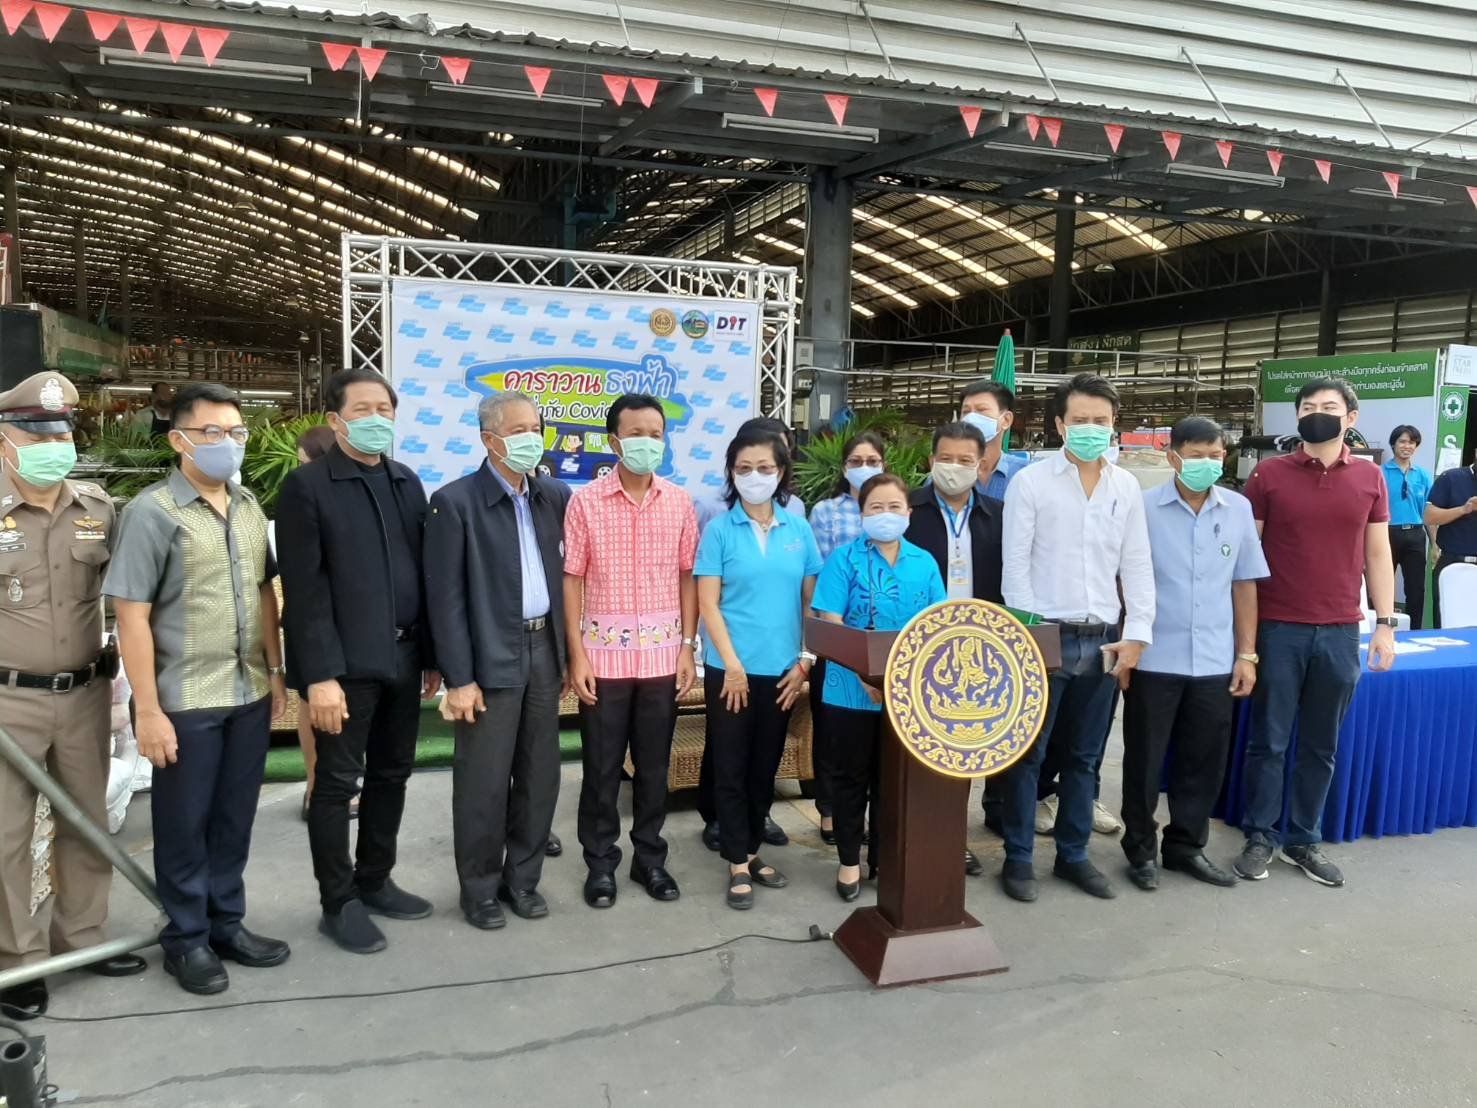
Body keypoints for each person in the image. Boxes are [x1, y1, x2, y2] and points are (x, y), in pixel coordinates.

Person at [105, 383, 290, 996]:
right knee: (185, 823)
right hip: (185, 697)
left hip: (248, 689)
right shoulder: (152, 512)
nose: (226, 443)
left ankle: (226, 924)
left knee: (233, 818)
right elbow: (131, 614)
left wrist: (276, 671)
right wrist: (148, 709)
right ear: (179, 440)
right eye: (212, 432)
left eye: (236, 432)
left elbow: (264, 592)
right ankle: (186, 938)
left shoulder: (248, 505)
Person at [276, 368, 439, 955]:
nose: (376, 420)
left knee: (392, 774)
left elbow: (424, 573)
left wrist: (431, 656)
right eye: (362, 410)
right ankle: (338, 901)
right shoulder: (308, 487)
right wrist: (319, 676)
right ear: (335, 420)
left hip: (405, 656)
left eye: (384, 410)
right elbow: (304, 591)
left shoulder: (405, 481)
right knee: (336, 783)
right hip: (345, 667)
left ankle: (375, 879)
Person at [0, 374, 146, 1021]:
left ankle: (82, 939)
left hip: (85, 691)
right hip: (8, 701)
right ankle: (17, 962)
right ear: (5, 442)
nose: (53, 447)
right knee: (5, 836)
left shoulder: (96, 507)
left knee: (86, 821)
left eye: (60, 435)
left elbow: (127, 596)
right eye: (37, 438)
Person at [997, 373, 1155, 903]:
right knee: (1030, 754)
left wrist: (1136, 635)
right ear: (1060, 425)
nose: (1091, 429)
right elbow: (1015, 566)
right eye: (1081, 420)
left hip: (1104, 639)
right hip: (1045, 635)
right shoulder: (1032, 483)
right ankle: (1019, 857)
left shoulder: (1125, 486)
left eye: (1100, 421)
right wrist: (1026, 634)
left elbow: (1137, 564)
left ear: (1114, 425)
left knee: (1086, 758)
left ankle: (1073, 855)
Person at [1238, 376, 1397, 888]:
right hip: (1279, 627)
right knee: (1269, 741)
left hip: (1340, 630)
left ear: (1351, 418)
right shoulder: (1268, 475)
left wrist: (1384, 624)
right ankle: (1260, 834)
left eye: (1328, 406)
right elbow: (1246, 559)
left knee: (1320, 744)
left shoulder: (1370, 478)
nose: (1316, 413)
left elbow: (1378, 554)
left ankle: (1303, 839)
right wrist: (1245, 640)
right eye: (1307, 407)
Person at [426, 391, 569, 930]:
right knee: (483, 780)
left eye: (536, 427)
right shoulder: (455, 502)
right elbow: (445, 600)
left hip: (545, 650)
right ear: (489, 440)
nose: (532, 438)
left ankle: (522, 881)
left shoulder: (554, 496)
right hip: (490, 655)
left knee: (540, 773)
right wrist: (459, 679)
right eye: (518, 430)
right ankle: (480, 889)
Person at [1120, 417, 1269, 891]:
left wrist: (1247, 654)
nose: (1208, 463)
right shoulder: (1142, 508)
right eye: (1197, 455)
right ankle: (1140, 849)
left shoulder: (1238, 509)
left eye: (1215, 455)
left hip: (1214, 659)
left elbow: (1244, 584)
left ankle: (1185, 847)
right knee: (1144, 760)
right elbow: (1125, 581)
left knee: (1202, 762)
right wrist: (1126, 647)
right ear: (1173, 457)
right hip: (1154, 657)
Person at [564, 393, 698, 909]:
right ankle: (600, 864)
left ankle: (650, 859)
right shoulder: (585, 502)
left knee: (654, 766)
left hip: (663, 658)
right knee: (601, 768)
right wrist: (577, 654)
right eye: (636, 434)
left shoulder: (679, 502)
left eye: (655, 434)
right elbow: (572, 579)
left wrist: (687, 647)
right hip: (603, 660)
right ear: (614, 441)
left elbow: (687, 577)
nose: (647, 443)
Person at [695, 425, 822, 909]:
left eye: (764, 468)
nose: (754, 476)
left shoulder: (798, 529)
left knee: (765, 766)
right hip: (731, 671)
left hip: (783, 671)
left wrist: (805, 661)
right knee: (730, 766)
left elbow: (811, 601)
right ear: (731, 473)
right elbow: (709, 604)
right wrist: (731, 666)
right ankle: (736, 863)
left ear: (781, 472)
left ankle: (750, 851)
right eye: (744, 468)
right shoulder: (719, 530)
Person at [813, 473, 946, 902]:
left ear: (909, 513)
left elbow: (937, 625)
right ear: (861, 513)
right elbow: (831, 621)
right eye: (876, 507)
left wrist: (902, 681)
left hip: (906, 694)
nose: (885, 514)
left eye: (894, 507)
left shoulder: (924, 563)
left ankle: (885, 857)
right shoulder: (843, 561)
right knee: (850, 778)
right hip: (849, 690)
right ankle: (849, 860)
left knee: (893, 781)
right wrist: (864, 675)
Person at [904, 420, 1004, 878]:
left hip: (976, 651)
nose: (954, 467)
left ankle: (951, 839)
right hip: (916, 644)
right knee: (912, 747)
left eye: (966, 460)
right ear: (931, 461)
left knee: (960, 749)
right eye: (946, 458)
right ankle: (902, 837)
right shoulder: (907, 510)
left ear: (981, 465)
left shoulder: (999, 515)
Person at [805, 430, 886, 845]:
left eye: (872, 461)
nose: (864, 468)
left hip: (885, 642)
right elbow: (818, 575)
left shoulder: (890, 509)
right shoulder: (826, 511)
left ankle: (870, 816)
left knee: (875, 739)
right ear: (843, 467)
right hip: (837, 637)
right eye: (856, 462)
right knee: (832, 732)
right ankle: (829, 810)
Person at [279, 423, 337, 822]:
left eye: (306, 462)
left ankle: (348, 781)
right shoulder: (297, 495)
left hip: (350, 620)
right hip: (306, 618)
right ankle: (315, 784)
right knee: (309, 703)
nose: (300, 471)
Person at [1381, 426, 1434, 630]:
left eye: (1411, 442)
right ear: (1393, 444)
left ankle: (1414, 632)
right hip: (1387, 534)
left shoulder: (1423, 475)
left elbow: (1429, 513)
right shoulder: (1380, 473)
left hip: (1415, 535)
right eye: (1402, 441)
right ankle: (1380, 629)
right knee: (1382, 586)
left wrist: (1435, 543)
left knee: (1416, 590)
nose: (1407, 446)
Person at [1424, 457, 1477, 629]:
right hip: (1452, 562)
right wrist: (1463, 509)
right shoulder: (1451, 478)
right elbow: (1429, 516)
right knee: (1446, 623)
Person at [959, 379, 1028, 499]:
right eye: (966, 411)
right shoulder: (944, 476)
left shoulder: (1028, 476)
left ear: (1006, 420)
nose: (971, 417)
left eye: (981, 410)